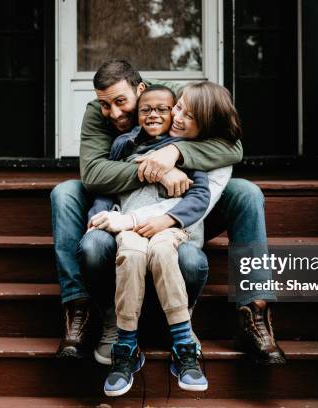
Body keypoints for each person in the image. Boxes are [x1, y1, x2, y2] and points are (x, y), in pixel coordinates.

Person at [51, 59, 286, 367]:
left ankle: (253, 312)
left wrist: (176, 152)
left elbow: (233, 149)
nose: (115, 113)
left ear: (141, 89)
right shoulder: (98, 113)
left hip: (184, 201)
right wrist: (157, 170)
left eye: (121, 102)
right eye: (106, 104)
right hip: (121, 201)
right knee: (65, 193)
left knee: (246, 193)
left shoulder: (175, 99)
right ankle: (79, 309)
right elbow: (94, 175)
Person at [88, 84, 234, 396]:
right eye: (146, 110)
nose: (157, 115)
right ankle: (126, 348)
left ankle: (183, 343)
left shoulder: (189, 149)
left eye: (168, 110)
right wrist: (98, 216)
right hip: (129, 229)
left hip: (170, 230)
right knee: (130, 254)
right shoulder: (123, 144)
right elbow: (107, 187)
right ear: (137, 115)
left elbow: (199, 196)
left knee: (165, 253)